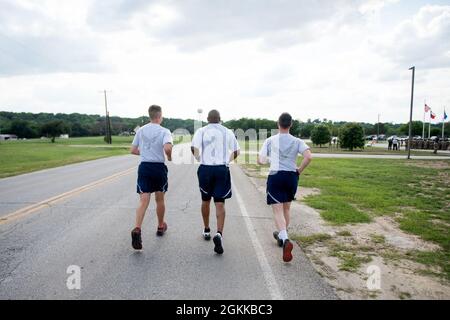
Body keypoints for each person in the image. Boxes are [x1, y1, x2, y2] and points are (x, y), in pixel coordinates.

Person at [258, 113, 312, 262]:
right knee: (286, 208)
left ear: (278, 124)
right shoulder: (297, 141)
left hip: (276, 175)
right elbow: (309, 157)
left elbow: (260, 161)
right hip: (291, 176)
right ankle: (282, 235)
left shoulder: (270, 140)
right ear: (291, 124)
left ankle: (285, 238)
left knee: (277, 209)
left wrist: (270, 159)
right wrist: (299, 170)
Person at [191, 110, 240, 255]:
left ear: (207, 119)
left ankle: (206, 229)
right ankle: (219, 233)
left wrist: (200, 158)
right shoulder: (227, 132)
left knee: (205, 200)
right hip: (221, 168)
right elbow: (237, 151)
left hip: (206, 169)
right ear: (220, 119)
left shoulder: (201, 131)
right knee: (220, 202)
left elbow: (193, 148)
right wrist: (226, 161)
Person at [130, 105, 173, 250]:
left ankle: (137, 229)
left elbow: (133, 150)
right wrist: (169, 156)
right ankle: (161, 226)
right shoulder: (164, 131)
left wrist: (144, 154)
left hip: (144, 167)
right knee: (159, 199)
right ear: (160, 116)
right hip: (158, 168)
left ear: (150, 116)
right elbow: (167, 148)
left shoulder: (141, 130)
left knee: (143, 200)